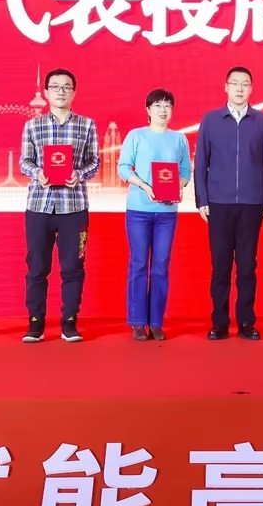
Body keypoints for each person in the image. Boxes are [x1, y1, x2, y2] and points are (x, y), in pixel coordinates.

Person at [19, 68, 100, 343]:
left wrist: (80, 174)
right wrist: (37, 173)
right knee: (37, 267)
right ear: (46, 93)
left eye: (66, 87)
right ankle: (35, 322)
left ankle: (69, 322)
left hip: (74, 207)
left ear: (74, 92)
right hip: (39, 206)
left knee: (74, 267)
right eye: (55, 87)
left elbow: (94, 162)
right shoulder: (33, 126)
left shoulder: (87, 125)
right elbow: (24, 161)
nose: (61, 91)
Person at [194, 65, 263, 340]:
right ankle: (219, 323)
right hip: (218, 203)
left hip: (252, 203)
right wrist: (202, 199)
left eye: (245, 84)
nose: (240, 88)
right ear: (226, 87)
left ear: (251, 89)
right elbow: (201, 162)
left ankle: (246, 322)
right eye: (235, 83)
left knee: (247, 265)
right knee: (220, 266)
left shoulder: (262, 121)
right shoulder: (211, 120)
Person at [117, 89, 193, 341]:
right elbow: (123, 168)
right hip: (139, 210)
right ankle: (138, 322)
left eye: (168, 105)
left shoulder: (179, 139)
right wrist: (144, 186)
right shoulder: (136, 135)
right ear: (148, 110)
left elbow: (185, 171)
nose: (163, 109)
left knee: (161, 265)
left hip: (167, 213)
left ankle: (156, 322)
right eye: (158, 105)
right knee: (139, 264)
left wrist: (178, 187)